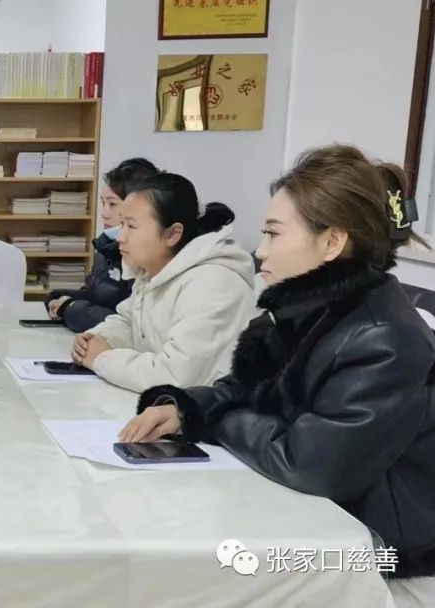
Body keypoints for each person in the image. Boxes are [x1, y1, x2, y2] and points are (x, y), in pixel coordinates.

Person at [119, 145, 435, 606]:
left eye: (272, 233)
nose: (260, 250)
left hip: (381, 557)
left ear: (332, 242)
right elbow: (240, 391)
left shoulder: (384, 338)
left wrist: (216, 419)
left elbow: (309, 463)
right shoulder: (301, 308)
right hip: (310, 521)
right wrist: (186, 408)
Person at [71, 172, 255, 392]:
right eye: (121, 225)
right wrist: (98, 339)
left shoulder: (213, 284)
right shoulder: (153, 270)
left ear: (173, 234)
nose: (120, 237)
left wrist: (102, 358)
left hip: (202, 410)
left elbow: (176, 377)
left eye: (131, 226)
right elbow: (130, 322)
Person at [45, 158, 160, 332]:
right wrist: (58, 298)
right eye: (103, 203)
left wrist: (69, 307)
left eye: (112, 204)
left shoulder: (148, 258)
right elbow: (93, 295)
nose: (104, 214)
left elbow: (127, 324)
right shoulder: (106, 248)